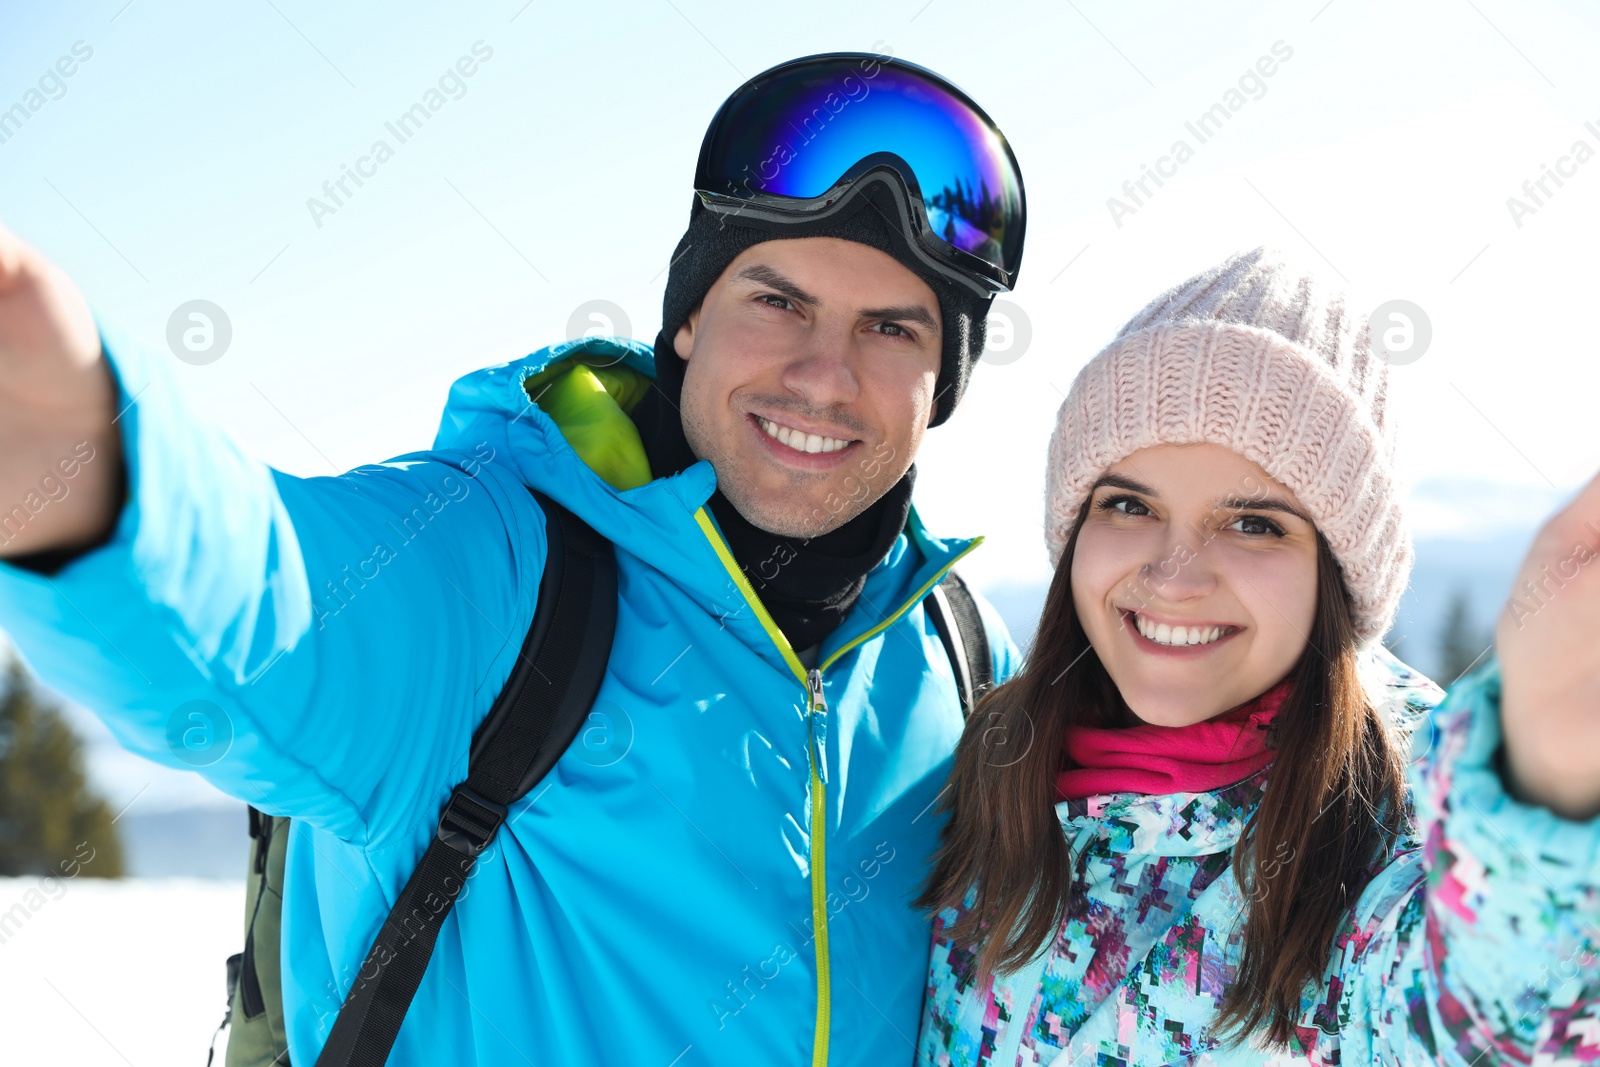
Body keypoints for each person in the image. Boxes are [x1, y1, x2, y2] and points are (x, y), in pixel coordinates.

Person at [0, 52, 1028, 1066]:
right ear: (686, 319)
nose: (823, 373)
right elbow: (262, 598)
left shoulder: (959, 653)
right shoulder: (501, 570)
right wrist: (85, 458)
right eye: (777, 300)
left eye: (890, 328)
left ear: (941, 383)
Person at [916, 247, 1600, 1066]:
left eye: (1254, 523)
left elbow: (1492, 1018)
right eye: (1129, 504)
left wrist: (1548, 792)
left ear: (1335, 576)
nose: (1174, 575)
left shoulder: (1392, 835)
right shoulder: (986, 771)